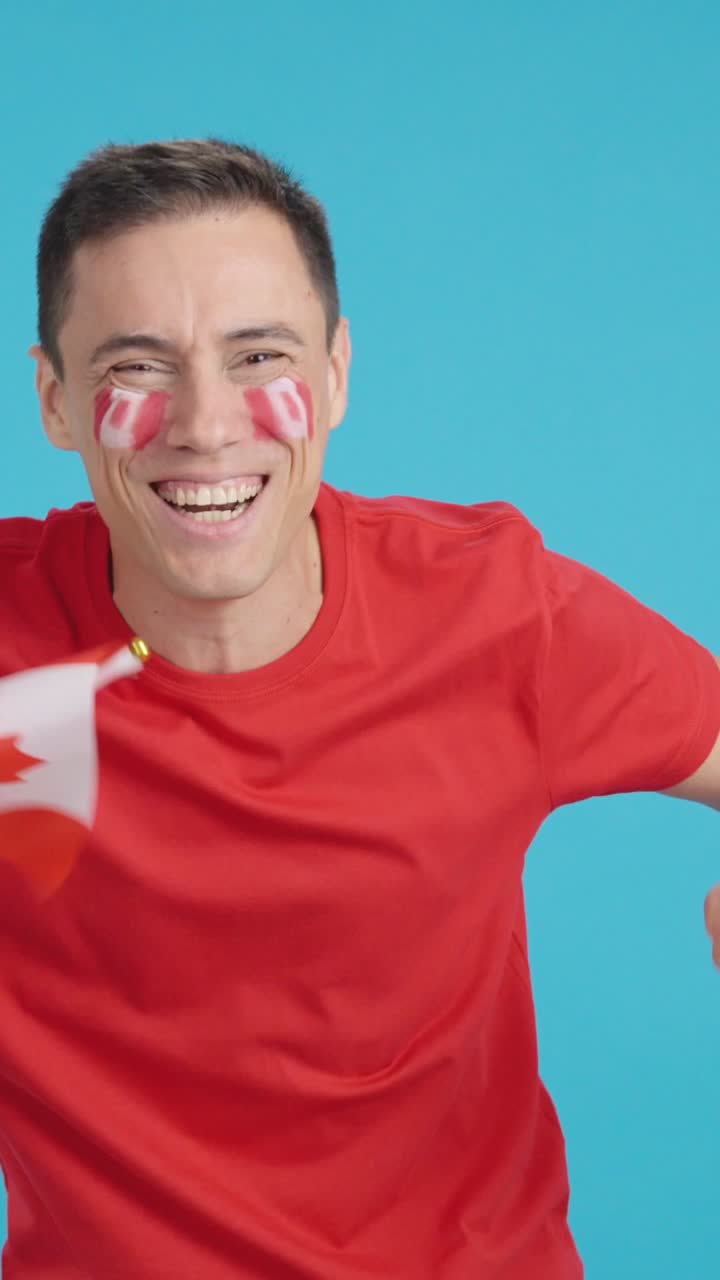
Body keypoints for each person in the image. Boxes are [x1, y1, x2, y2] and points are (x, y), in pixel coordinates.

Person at [1, 137, 719, 1280]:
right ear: (55, 400)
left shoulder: (495, 614)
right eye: (138, 366)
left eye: (258, 354)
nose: (206, 421)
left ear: (337, 372)